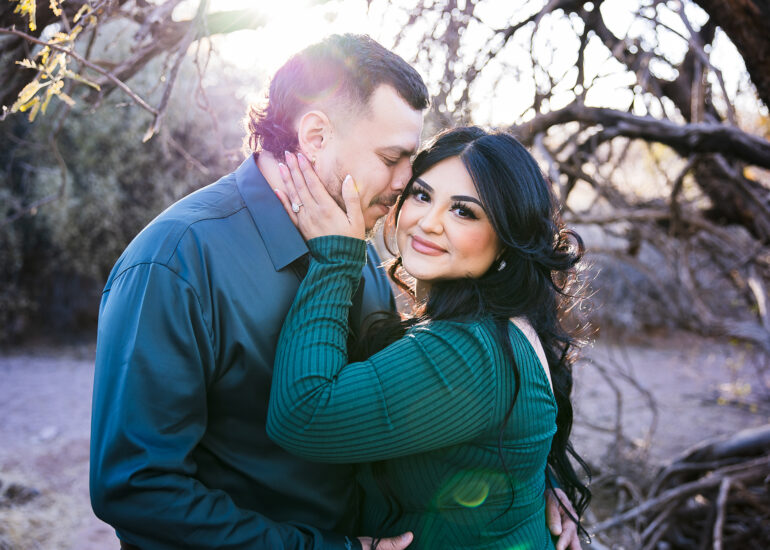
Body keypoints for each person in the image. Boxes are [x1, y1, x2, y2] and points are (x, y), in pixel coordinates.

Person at [90, 32, 582, 549]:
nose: (403, 182)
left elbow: (410, 396)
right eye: (394, 157)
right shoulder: (175, 263)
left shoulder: (356, 245)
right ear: (317, 136)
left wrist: (524, 476)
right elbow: (137, 489)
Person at [268, 126, 592, 549]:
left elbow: (303, 417)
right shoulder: (496, 323)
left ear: (508, 239)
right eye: (422, 195)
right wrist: (535, 481)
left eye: (464, 211)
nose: (428, 222)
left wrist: (334, 258)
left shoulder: (472, 351)